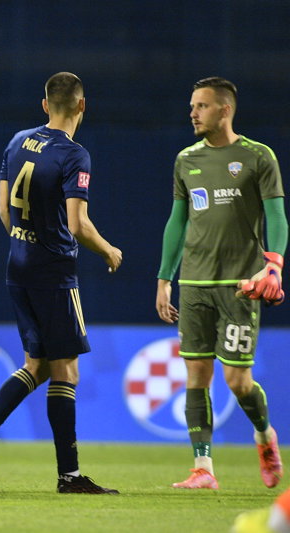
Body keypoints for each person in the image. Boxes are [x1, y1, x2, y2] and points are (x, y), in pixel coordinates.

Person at [0, 72, 122, 495]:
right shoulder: (74, 155)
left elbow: (3, 210)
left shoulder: (17, 141)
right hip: (53, 271)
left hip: (19, 263)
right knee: (66, 370)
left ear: (45, 104)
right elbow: (78, 224)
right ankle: (69, 476)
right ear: (82, 105)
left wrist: (24, 243)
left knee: (38, 364)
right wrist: (108, 250)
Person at [156, 77, 287, 490]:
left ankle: (264, 435)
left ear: (224, 109)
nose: (192, 113)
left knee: (237, 381)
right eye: (192, 105)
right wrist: (164, 278)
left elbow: (276, 216)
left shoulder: (257, 156)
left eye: (201, 106)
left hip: (240, 284)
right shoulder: (186, 160)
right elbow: (177, 222)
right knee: (196, 375)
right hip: (194, 283)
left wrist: (274, 265)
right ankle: (203, 468)